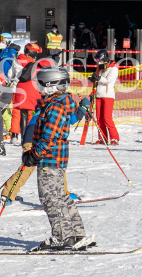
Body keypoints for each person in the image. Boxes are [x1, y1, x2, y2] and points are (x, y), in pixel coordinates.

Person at [20, 66, 94, 251]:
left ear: (52, 86)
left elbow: (49, 137)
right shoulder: (56, 103)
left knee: (50, 198)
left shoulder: (55, 107)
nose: (39, 88)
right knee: (60, 197)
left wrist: (34, 155)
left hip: (50, 160)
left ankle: (63, 236)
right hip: (55, 159)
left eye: (42, 85)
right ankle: (76, 234)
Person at [91, 49, 119, 145]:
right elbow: (98, 81)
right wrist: (93, 79)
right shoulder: (100, 68)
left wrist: (98, 78)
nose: (98, 63)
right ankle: (103, 137)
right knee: (99, 119)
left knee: (107, 118)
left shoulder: (113, 69)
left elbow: (108, 80)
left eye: (99, 60)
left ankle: (114, 138)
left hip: (108, 95)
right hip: (99, 95)